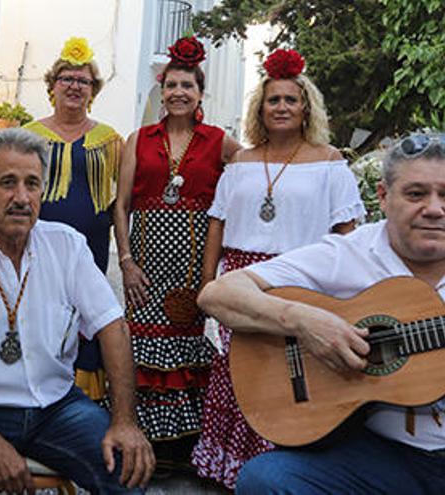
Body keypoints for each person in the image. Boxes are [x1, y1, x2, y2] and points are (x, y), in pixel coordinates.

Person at [0, 128, 154, 494]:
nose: (21, 197)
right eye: (8, 182)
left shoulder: (67, 247)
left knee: (128, 475)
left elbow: (112, 327)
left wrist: (125, 421)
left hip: (58, 408)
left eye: (32, 184)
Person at [198, 132, 445, 493]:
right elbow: (218, 294)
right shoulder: (349, 253)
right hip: (378, 455)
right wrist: (305, 322)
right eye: (416, 194)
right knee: (266, 480)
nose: (435, 208)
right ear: (383, 197)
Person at [189, 48, 366, 489]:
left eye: (291, 99)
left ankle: (278, 468)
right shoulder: (241, 162)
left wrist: (341, 295)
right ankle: (226, 465)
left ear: (306, 107)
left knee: (287, 373)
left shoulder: (330, 162)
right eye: (274, 100)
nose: (282, 107)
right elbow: (218, 224)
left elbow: (348, 232)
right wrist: (209, 284)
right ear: (260, 109)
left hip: (300, 280)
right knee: (237, 369)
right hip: (239, 280)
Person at [112, 36, 241, 470]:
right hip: (145, 266)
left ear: (200, 93)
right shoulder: (139, 138)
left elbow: (255, 175)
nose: (178, 93)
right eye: (171, 85)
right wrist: (126, 262)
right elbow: (122, 205)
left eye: (187, 85)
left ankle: (181, 450)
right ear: (161, 91)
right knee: (142, 351)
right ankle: (140, 441)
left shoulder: (220, 141)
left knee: (186, 351)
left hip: (192, 266)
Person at [23, 36, 123, 401]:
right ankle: (35, 388)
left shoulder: (110, 139)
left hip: (91, 248)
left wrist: (125, 255)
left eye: (83, 80)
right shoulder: (28, 136)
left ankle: (84, 396)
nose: (74, 86)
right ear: (52, 86)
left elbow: (125, 198)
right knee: (42, 309)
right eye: (66, 78)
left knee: (85, 312)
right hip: (40, 244)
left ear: (93, 90)